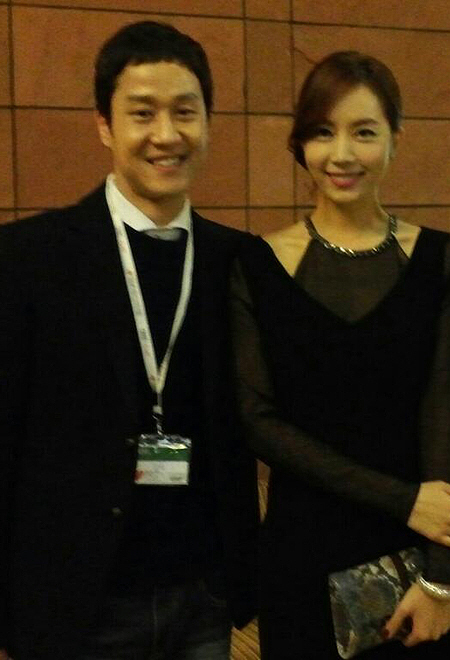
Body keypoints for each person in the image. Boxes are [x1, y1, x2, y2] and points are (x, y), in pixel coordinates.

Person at [0, 20, 259, 660]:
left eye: (185, 112)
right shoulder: (29, 259)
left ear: (208, 123)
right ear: (104, 125)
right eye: (142, 113)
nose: (166, 135)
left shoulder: (240, 262)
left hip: (203, 596)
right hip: (75, 602)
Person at [230, 50, 450, 659]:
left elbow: (445, 416)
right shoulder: (255, 265)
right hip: (302, 555)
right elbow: (257, 422)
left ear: (396, 139)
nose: (342, 154)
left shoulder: (439, 261)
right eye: (323, 132)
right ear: (300, 143)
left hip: (420, 564)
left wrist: (441, 577)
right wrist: (404, 499)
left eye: (364, 132)